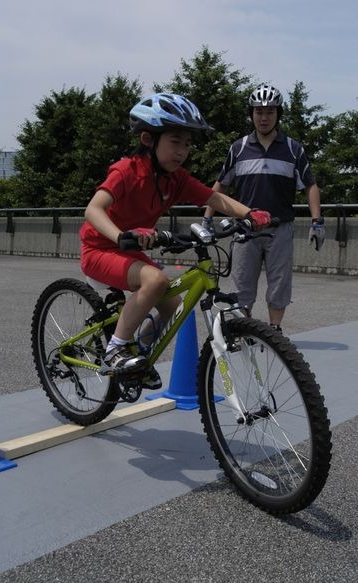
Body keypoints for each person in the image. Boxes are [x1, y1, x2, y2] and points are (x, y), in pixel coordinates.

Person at [80, 92, 272, 388]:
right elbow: (93, 209)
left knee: (173, 307)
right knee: (155, 281)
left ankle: (138, 355)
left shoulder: (176, 178)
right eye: (175, 141)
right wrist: (122, 236)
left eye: (187, 143)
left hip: (131, 252)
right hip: (100, 249)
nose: (182, 150)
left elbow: (213, 196)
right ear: (148, 139)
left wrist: (250, 213)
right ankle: (115, 349)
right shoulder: (126, 171)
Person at [203, 84, 325, 332]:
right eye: (258, 112)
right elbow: (221, 185)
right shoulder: (238, 148)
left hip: (280, 227)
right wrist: (206, 219)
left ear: (278, 114)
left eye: (270, 112)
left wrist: (317, 221)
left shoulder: (293, 149)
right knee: (242, 284)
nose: (264, 117)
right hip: (244, 228)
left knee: (279, 284)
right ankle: (247, 329)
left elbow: (310, 186)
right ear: (252, 115)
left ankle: (274, 330)